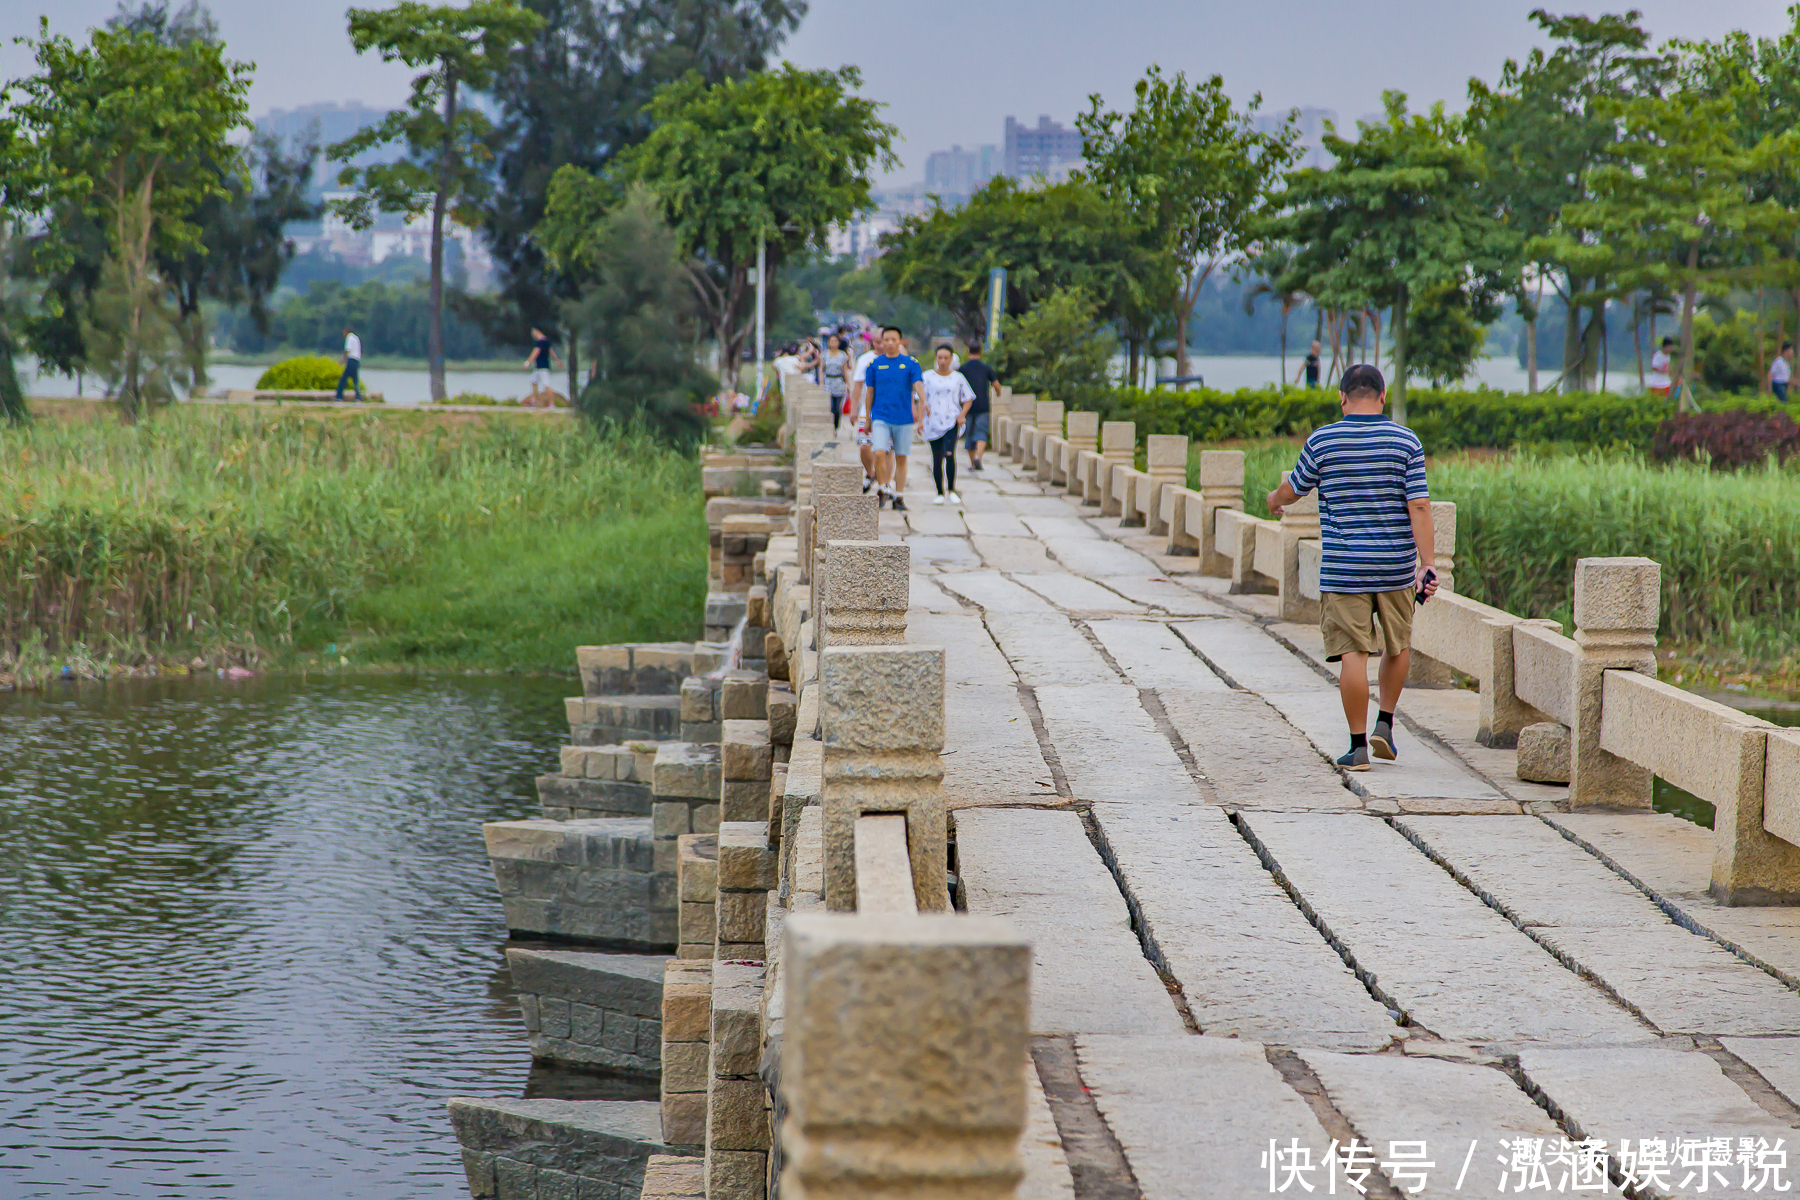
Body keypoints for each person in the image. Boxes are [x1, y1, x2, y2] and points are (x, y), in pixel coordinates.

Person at [1264, 364, 1438, 772]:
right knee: (1397, 645)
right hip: (1395, 568)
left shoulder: (1323, 439)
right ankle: (1386, 723)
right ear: (1382, 397)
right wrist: (1427, 564)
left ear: (1342, 398)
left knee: (1352, 655)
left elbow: (1294, 488)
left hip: (1344, 569)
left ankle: (1358, 746)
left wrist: (1275, 498)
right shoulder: (1406, 441)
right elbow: (1420, 506)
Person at [859, 325, 925, 512]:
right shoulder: (875, 365)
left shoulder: (910, 364)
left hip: (903, 418)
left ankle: (899, 495)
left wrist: (924, 402)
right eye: (885, 340)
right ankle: (882, 486)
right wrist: (868, 418)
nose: (889, 343)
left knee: (901, 458)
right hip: (881, 415)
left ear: (900, 341)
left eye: (893, 340)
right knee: (879, 451)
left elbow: (918, 384)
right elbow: (869, 392)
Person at [921, 344, 975, 505]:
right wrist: (919, 420)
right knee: (937, 458)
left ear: (951, 359)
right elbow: (920, 399)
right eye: (940, 358)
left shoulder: (958, 378)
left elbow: (968, 398)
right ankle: (939, 492)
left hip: (952, 420)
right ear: (936, 358)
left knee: (950, 454)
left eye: (946, 358)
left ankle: (952, 489)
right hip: (932, 420)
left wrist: (962, 415)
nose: (943, 361)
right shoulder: (927, 377)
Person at [957, 342, 999, 471]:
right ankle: (978, 458)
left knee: (969, 434)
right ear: (980, 352)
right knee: (981, 432)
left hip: (966, 407)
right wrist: (998, 393)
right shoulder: (986, 368)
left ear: (968, 351)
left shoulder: (962, 369)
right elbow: (996, 385)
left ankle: (972, 462)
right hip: (983, 406)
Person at [849, 334, 882, 491]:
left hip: (887, 411)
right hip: (866, 411)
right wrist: (853, 408)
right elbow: (857, 386)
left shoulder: (900, 360)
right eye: (878, 342)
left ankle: (884, 484)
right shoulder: (865, 360)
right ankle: (871, 473)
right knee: (864, 447)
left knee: (884, 450)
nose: (882, 345)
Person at [821, 333, 852, 431]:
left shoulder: (842, 355)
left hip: (838, 381)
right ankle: (830, 426)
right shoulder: (824, 355)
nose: (833, 343)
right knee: (830, 406)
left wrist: (848, 384)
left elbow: (845, 370)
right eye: (831, 341)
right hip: (828, 381)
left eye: (835, 341)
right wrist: (821, 382)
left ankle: (836, 425)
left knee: (837, 408)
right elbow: (821, 370)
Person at [524, 328, 561, 404]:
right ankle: (535, 401)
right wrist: (557, 361)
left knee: (546, 385)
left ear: (537, 332)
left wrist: (528, 362)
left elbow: (535, 353)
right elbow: (551, 352)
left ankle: (551, 403)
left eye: (533, 333)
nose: (533, 335)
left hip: (542, 367)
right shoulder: (547, 341)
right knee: (533, 382)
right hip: (539, 368)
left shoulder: (540, 342)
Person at [335, 324, 363, 402]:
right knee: (355, 381)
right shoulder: (356, 338)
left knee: (343, 379)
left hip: (351, 361)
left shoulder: (349, 338)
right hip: (357, 361)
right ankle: (358, 398)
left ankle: (338, 397)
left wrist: (342, 360)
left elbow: (347, 350)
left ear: (346, 332)